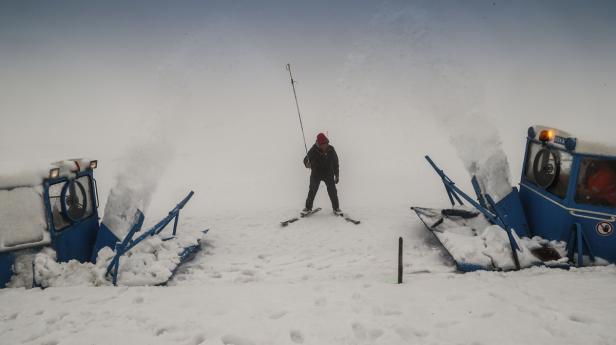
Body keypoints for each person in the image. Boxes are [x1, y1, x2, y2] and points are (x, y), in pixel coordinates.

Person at [303, 133, 341, 215]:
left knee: (332, 191)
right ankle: (307, 208)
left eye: (326, 143)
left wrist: (337, 175)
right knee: (312, 190)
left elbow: (335, 163)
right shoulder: (313, 149)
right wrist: (307, 164)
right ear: (319, 144)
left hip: (328, 173)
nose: (325, 146)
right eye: (323, 144)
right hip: (316, 173)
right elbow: (306, 159)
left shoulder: (331, 150)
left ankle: (336, 208)